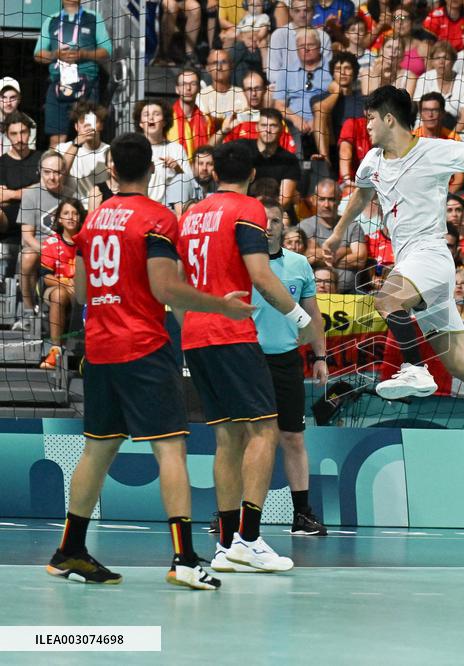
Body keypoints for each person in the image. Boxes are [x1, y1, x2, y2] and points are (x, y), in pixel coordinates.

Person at [46, 132, 255, 589]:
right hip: (142, 347)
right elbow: (165, 289)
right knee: (171, 449)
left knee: (98, 449)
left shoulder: (93, 220)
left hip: (100, 350)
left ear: (111, 171)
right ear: (153, 169)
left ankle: (69, 550)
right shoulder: (158, 218)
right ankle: (184, 559)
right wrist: (220, 306)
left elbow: (80, 292)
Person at [320, 86, 464, 478]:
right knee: (459, 363)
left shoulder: (435, 150)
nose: (366, 126)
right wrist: (338, 234)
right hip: (413, 263)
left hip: (429, 254)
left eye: (371, 119)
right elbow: (360, 196)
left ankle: (414, 367)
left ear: (389, 119)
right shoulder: (372, 160)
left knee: (386, 299)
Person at [178, 140, 314, 573]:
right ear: (253, 174)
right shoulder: (248, 209)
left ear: (214, 172)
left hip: (196, 335)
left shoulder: (192, 214)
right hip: (232, 333)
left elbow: (178, 282)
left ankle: (225, 545)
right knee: (264, 431)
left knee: (227, 438)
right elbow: (261, 276)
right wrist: (300, 318)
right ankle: (250, 540)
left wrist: (192, 322)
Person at [252, 197, 330, 536]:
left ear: (283, 225)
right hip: (248, 360)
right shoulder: (241, 264)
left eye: (274, 221)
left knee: (293, 438)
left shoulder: (299, 264)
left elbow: (313, 316)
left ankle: (302, 514)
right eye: (263, 220)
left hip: (286, 361)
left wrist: (320, 356)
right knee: (244, 440)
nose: (268, 227)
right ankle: (230, 515)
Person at [33, 0, 112, 146]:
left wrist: (83, 54)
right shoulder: (51, 20)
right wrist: (55, 55)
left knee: (89, 134)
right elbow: (38, 54)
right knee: (56, 138)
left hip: (87, 84)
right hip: (58, 84)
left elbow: (107, 51)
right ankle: (56, 161)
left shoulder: (93, 17)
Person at [17, 150, 73, 331]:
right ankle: (28, 310)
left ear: (64, 173)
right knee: (28, 257)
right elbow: (27, 236)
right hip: (38, 249)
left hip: (65, 251)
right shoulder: (31, 194)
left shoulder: (71, 195)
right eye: (47, 172)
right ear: (40, 171)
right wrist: (49, 252)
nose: (52, 177)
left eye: (57, 172)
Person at [38, 198, 83, 370]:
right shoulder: (51, 243)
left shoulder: (86, 242)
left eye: (75, 213)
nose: (71, 217)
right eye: (66, 213)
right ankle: (55, 350)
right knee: (58, 294)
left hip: (82, 290)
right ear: (59, 219)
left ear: (80, 217)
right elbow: (45, 277)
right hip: (56, 288)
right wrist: (65, 284)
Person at [0, 113, 42, 283]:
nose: (19, 138)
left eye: (23, 132)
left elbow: (44, 188)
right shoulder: (2, 162)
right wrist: (29, 190)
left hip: (37, 217)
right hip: (8, 219)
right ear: (7, 135)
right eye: (14, 134)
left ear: (29, 133)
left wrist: (12, 193)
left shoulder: (41, 158)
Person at [55, 101, 109, 202]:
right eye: (83, 121)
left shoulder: (109, 152)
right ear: (76, 126)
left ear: (101, 125)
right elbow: (58, 175)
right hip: (73, 206)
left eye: (92, 121)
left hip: (102, 205)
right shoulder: (62, 148)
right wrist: (76, 144)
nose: (87, 126)